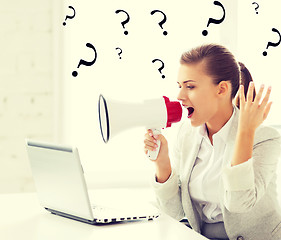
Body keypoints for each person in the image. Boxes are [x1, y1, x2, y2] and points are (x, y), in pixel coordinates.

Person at [144, 44, 281, 240]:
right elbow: (175, 213)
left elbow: (239, 202)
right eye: (179, 86)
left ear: (222, 89)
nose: (180, 96)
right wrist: (162, 163)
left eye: (190, 86)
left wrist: (246, 131)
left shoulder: (264, 137)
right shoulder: (187, 134)